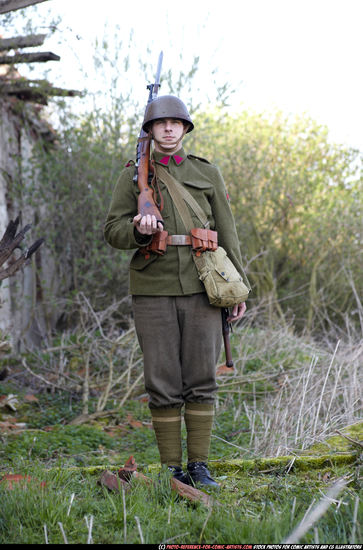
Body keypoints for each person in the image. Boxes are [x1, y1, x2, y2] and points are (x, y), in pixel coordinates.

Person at [104, 95, 246, 487]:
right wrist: (137, 228)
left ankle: (199, 466)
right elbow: (112, 231)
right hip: (153, 287)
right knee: (162, 378)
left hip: (204, 284)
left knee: (201, 377)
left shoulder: (207, 173)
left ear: (185, 129)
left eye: (175, 123)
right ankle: (172, 468)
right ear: (150, 130)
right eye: (160, 123)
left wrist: (237, 288)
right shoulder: (133, 175)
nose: (168, 128)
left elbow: (228, 234)